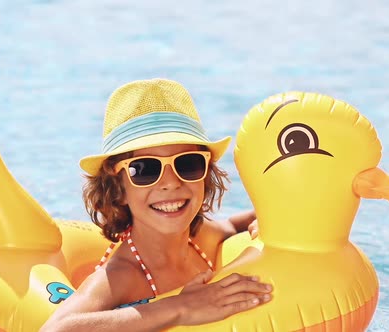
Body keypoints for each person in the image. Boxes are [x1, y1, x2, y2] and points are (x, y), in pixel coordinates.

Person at [40, 78, 270, 332]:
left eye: (188, 164)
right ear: (118, 189)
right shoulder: (121, 276)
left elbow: (233, 224)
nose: (170, 183)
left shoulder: (200, 237)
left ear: (205, 175)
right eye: (145, 170)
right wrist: (180, 307)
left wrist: (270, 220)